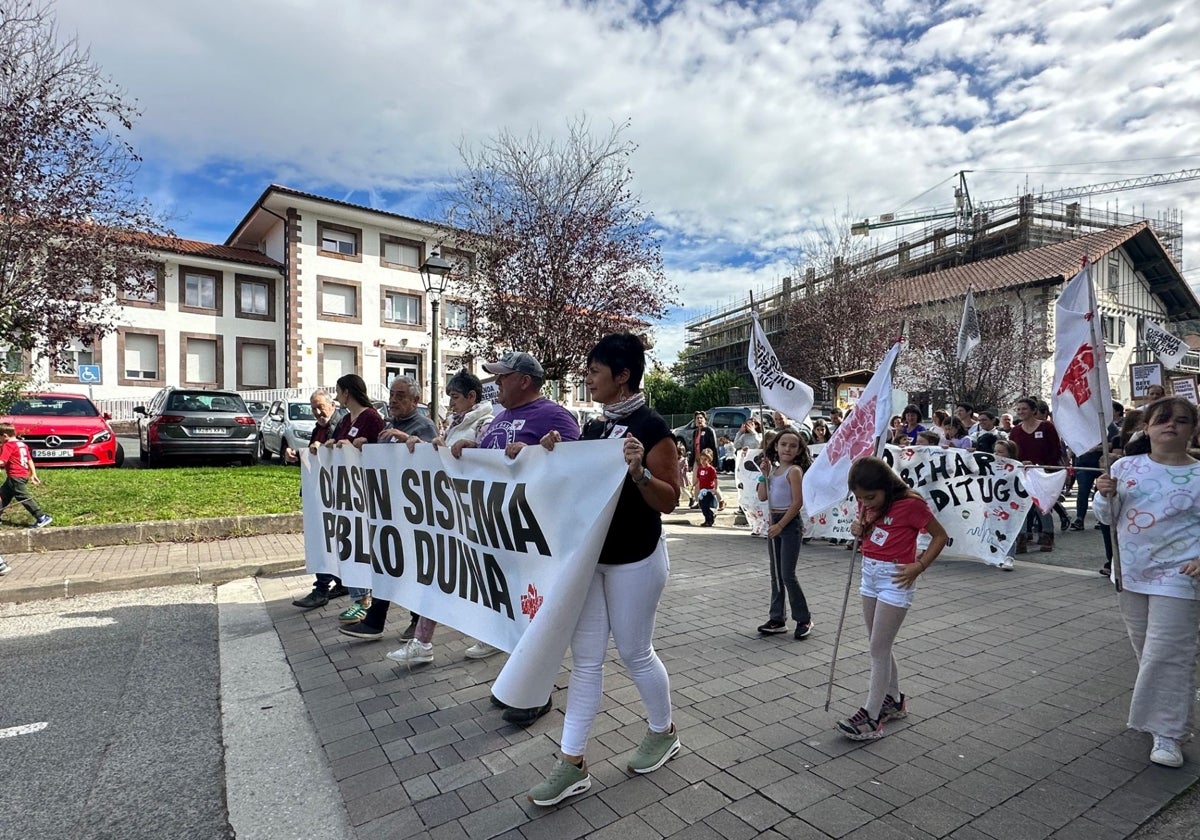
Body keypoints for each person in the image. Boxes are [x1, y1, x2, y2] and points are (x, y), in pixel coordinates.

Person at [527, 333, 680, 806]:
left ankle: (663, 731)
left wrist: (640, 474)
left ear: (622, 376)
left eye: (594, 371)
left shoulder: (654, 430)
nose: (587, 378)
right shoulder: (593, 429)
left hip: (637, 558)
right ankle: (571, 762)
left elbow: (671, 499)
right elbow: (577, 483)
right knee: (586, 660)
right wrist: (552, 451)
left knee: (635, 653)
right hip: (591, 560)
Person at [467, 351, 581, 726]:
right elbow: (490, 466)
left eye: (502, 377)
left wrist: (538, 452)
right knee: (511, 613)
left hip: (535, 536)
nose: (496, 383)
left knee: (536, 615)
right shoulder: (499, 418)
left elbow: (576, 468)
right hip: (499, 533)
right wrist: (467, 453)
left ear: (525, 380)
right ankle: (519, 682)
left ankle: (536, 694)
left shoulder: (554, 416)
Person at [1094, 397, 1200, 768]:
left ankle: (1169, 733)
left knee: (1167, 653)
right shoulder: (1126, 466)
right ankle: (1165, 705)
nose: (1171, 425)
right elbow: (1108, 518)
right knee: (1146, 651)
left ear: (1193, 429)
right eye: (1163, 419)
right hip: (1131, 573)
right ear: (1148, 427)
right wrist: (1105, 495)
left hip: (1179, 576)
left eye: (1182, 420)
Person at [385, 371, 495, 666]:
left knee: (479, 579)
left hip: (473, 516)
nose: (450, 404)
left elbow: (486, 460)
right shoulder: (458, 423)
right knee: (438, 575)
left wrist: (468, 450)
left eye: (455, 397)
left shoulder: (484, 423)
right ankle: (422, 642)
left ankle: (492, 633)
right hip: (450, 514)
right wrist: (425, 446)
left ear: (472, 397)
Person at [836, 457, 948, 741]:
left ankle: (872, 715)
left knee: (877, 648)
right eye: (860, 498)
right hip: (869, 574)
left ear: (886, 486)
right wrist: (857, 528)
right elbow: (867, 530)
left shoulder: (911, 505)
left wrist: (919, 565)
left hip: (896, 578)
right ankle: (894, 699)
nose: (866, 502)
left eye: (871, 497)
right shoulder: (868, 505)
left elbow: (939, 536)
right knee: (879, 643)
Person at [338, 375, 437, 639]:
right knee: (385, 564)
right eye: (392, 394)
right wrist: (364, 447)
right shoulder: (388, 424)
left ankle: (414, 620)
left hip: (412, 513)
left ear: (416, 400)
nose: (393, 400)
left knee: (412, 567)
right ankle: (375, 622)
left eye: (401, 395)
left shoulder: (423, 425)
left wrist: (406, 438)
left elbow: (434, 458)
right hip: (385, 509)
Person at [291, 390, 351, 609]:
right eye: (313, 409)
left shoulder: (339, 424)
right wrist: (297, 455)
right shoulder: (321, 427)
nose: (317, 412)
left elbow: (333, 454)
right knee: (327, 540)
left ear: (332, 404)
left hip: (332, 493)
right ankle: (342, 582)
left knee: (324, 540)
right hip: (320, 492)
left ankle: (321, 590)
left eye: (320, 407)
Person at [755, 427, 813, 639]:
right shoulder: (774, 470)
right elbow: (762, 496)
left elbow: (797, 502)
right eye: (783, 444)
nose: (788, 448)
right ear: (776, 447)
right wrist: (764, 476)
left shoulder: (794, 471)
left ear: (798, 450)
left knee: (787, 574)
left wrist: (781, 525)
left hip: (788, 524)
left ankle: (804, 617)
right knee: (776, 575)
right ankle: (777, 618)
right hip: (774, 521)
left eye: (793, 445)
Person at [1008, 396, 1065, 552]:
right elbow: (1011, 452)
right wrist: (1018, 464)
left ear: (1034, 410)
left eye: (1024, 408)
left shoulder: (1046, 427)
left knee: (1042, 504)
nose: (1021, 412)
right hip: (1022, 472)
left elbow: (1055, 450)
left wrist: (1045, 467)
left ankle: (1047, 537)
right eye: (1018, 409)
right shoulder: (1016, 430)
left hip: (1042, 472)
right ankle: (1021, 539)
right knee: (1021, 505)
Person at [0, 423, 51, 528]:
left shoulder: (8, 445)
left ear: (4, 436)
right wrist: (33, 474)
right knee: (2, 496)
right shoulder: (21, 444)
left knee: (23, 497)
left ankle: (41, 516)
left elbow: (2, 461)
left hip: (15, 476)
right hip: (22, 475)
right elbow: (29, 460)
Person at [992, 438, 1020, 570]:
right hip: (993, 505)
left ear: (1010, 454)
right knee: (994, 530)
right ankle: (997, 555)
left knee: (1009, 530)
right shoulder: (990, 465)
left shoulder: (1017, 467)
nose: (996, 454)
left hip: (1010, 505)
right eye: (995, 451)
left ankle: (1009, 557)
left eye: (1001, 452)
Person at [692, 448, 722, 527]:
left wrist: (715, 488)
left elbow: (715, 479)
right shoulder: (700, 469)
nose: (703, 461)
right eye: (702, 459)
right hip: (702, 490)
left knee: (706, 505)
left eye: (705, 459)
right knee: (702, 505)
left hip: (709, 490)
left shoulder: (711, 469)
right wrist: (693, 485)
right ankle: (707, 518)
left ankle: (710, 520)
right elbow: (698, 479)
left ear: (709, 460)